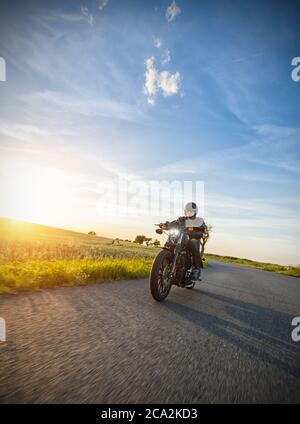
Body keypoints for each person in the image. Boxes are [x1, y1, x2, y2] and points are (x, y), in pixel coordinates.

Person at [159, 202, 207, 286]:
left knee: (194, 241)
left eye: (191, 212)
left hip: (191, 238)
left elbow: (203, 226)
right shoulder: (181, 219)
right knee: (172, 237)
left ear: (195, 212)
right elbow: (173, 223)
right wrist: (165, 225)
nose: (189, 213)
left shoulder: (199, 220)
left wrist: (199, 228)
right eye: (187, 211)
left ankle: (196, 269)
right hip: (180, 238)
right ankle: (164, 262)